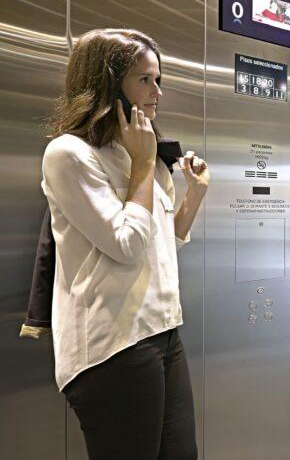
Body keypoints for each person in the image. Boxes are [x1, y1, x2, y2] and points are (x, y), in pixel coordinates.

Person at [42, 28, 209, 459]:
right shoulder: (69, 154)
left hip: (163, 329)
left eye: (159, 80)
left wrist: (194, 193)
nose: (157, 92)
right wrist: (144, 163)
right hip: (113, 344)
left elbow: (163, 239)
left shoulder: (138, 150)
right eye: (144, 80)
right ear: (107, 83)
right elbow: (127, 243)